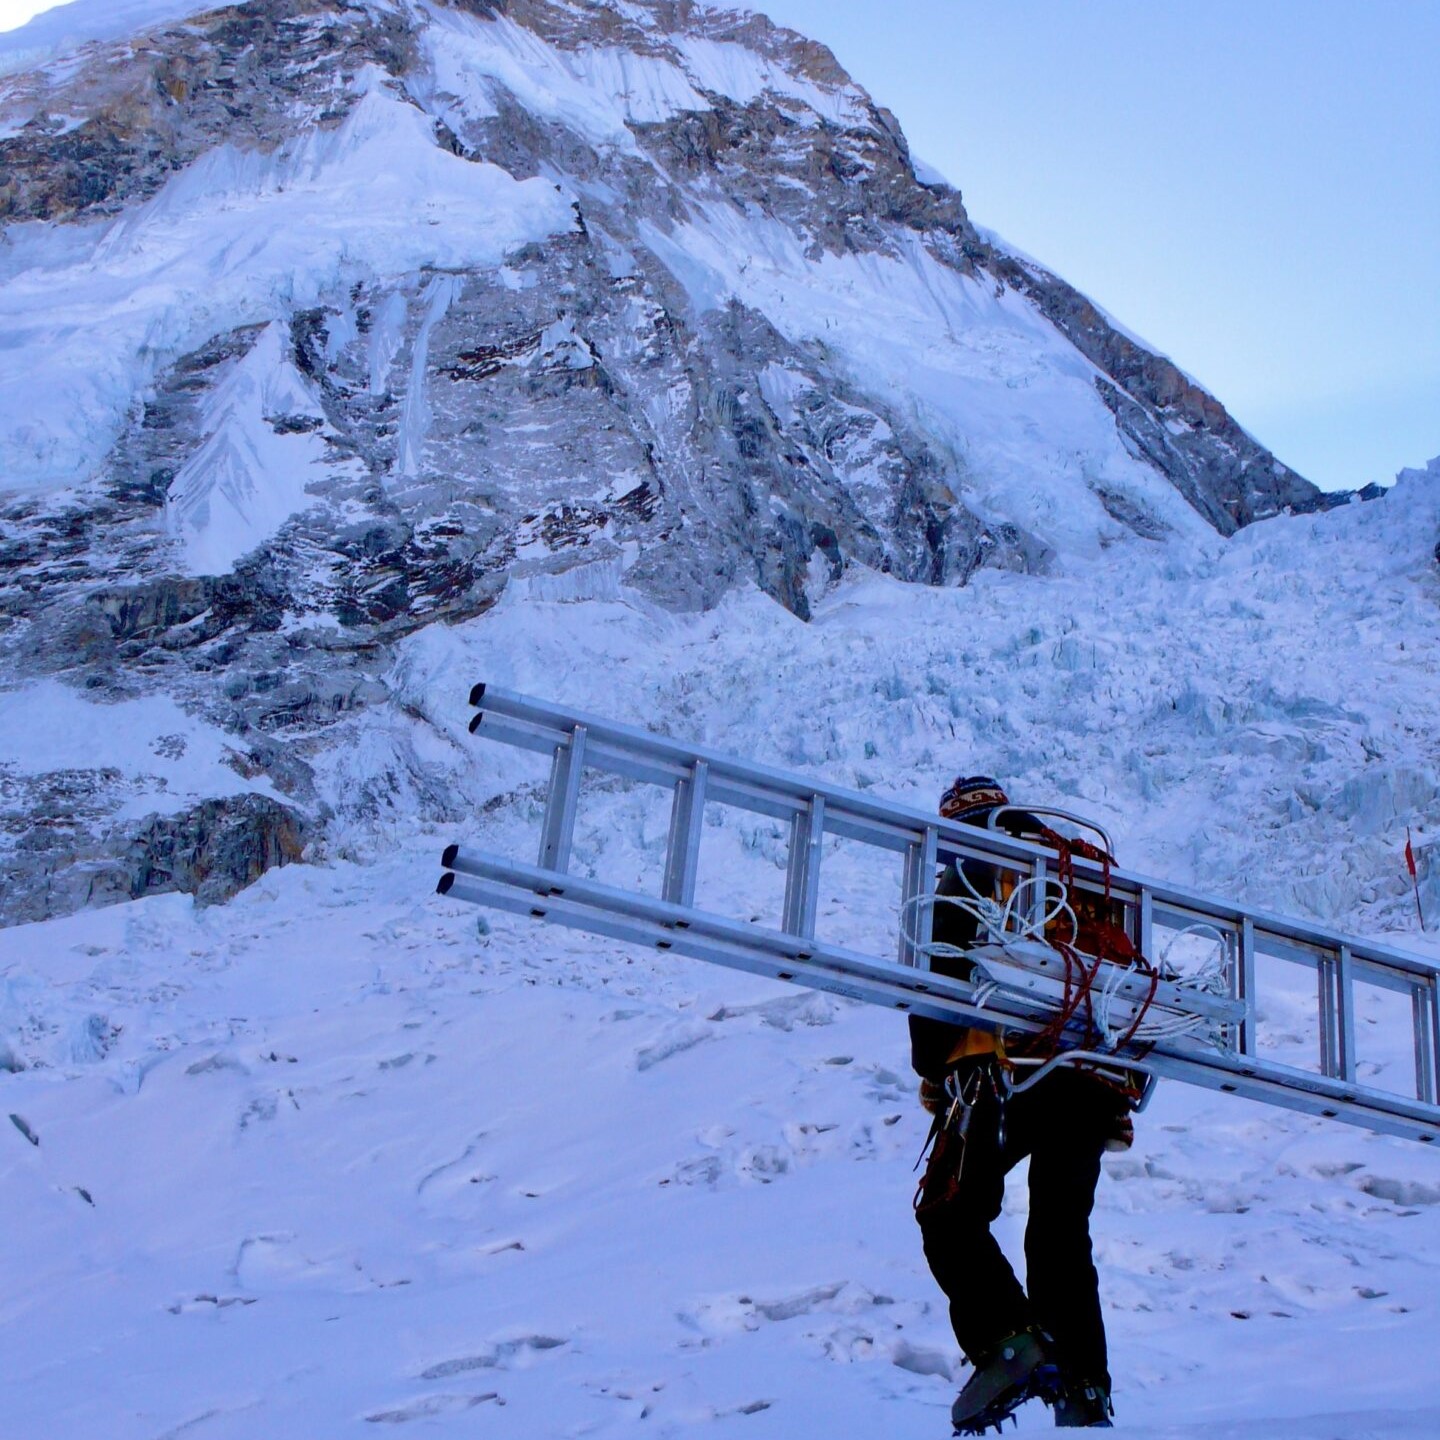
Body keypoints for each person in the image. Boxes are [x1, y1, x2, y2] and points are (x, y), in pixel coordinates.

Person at [911, 775, 1134, 1433]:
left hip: (995, 1068)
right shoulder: (1072, 880)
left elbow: (942, 977)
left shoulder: (961, 869)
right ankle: (1084, 1390)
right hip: (1089, 1076)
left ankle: (1010, 1344)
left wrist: (933, 1065)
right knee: (1061, 1233)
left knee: (951, 1212)